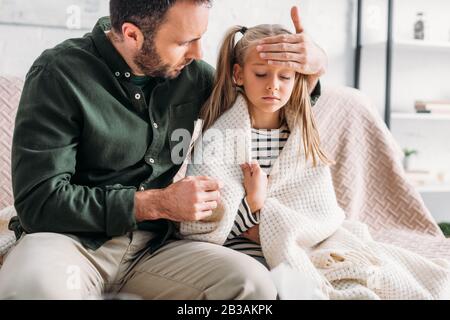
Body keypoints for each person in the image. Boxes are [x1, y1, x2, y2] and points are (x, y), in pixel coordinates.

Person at [0, 1, 328, 299]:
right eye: (184, 41)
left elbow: (263, 102)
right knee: (33, 289)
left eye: (200, 37)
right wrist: (158, 203)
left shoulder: (193, 76)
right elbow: (39, 202)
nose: (199, 53)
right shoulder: (59, 73)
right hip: (70, 242)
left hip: (153, 249)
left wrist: (314, 68)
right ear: (132, 35)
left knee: (253, 286)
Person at [179, 24, 450, 299]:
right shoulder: (219, 139)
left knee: (382, 279)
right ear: (239, 74)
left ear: (297, 79)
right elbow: (206, 228)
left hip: (307, 245)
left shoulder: (301, 137)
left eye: (285, 76)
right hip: (247, 257)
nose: (273, 85)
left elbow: (320, 216)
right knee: (296, 291)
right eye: (260, 74)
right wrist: (253, 204)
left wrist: (262, 215)